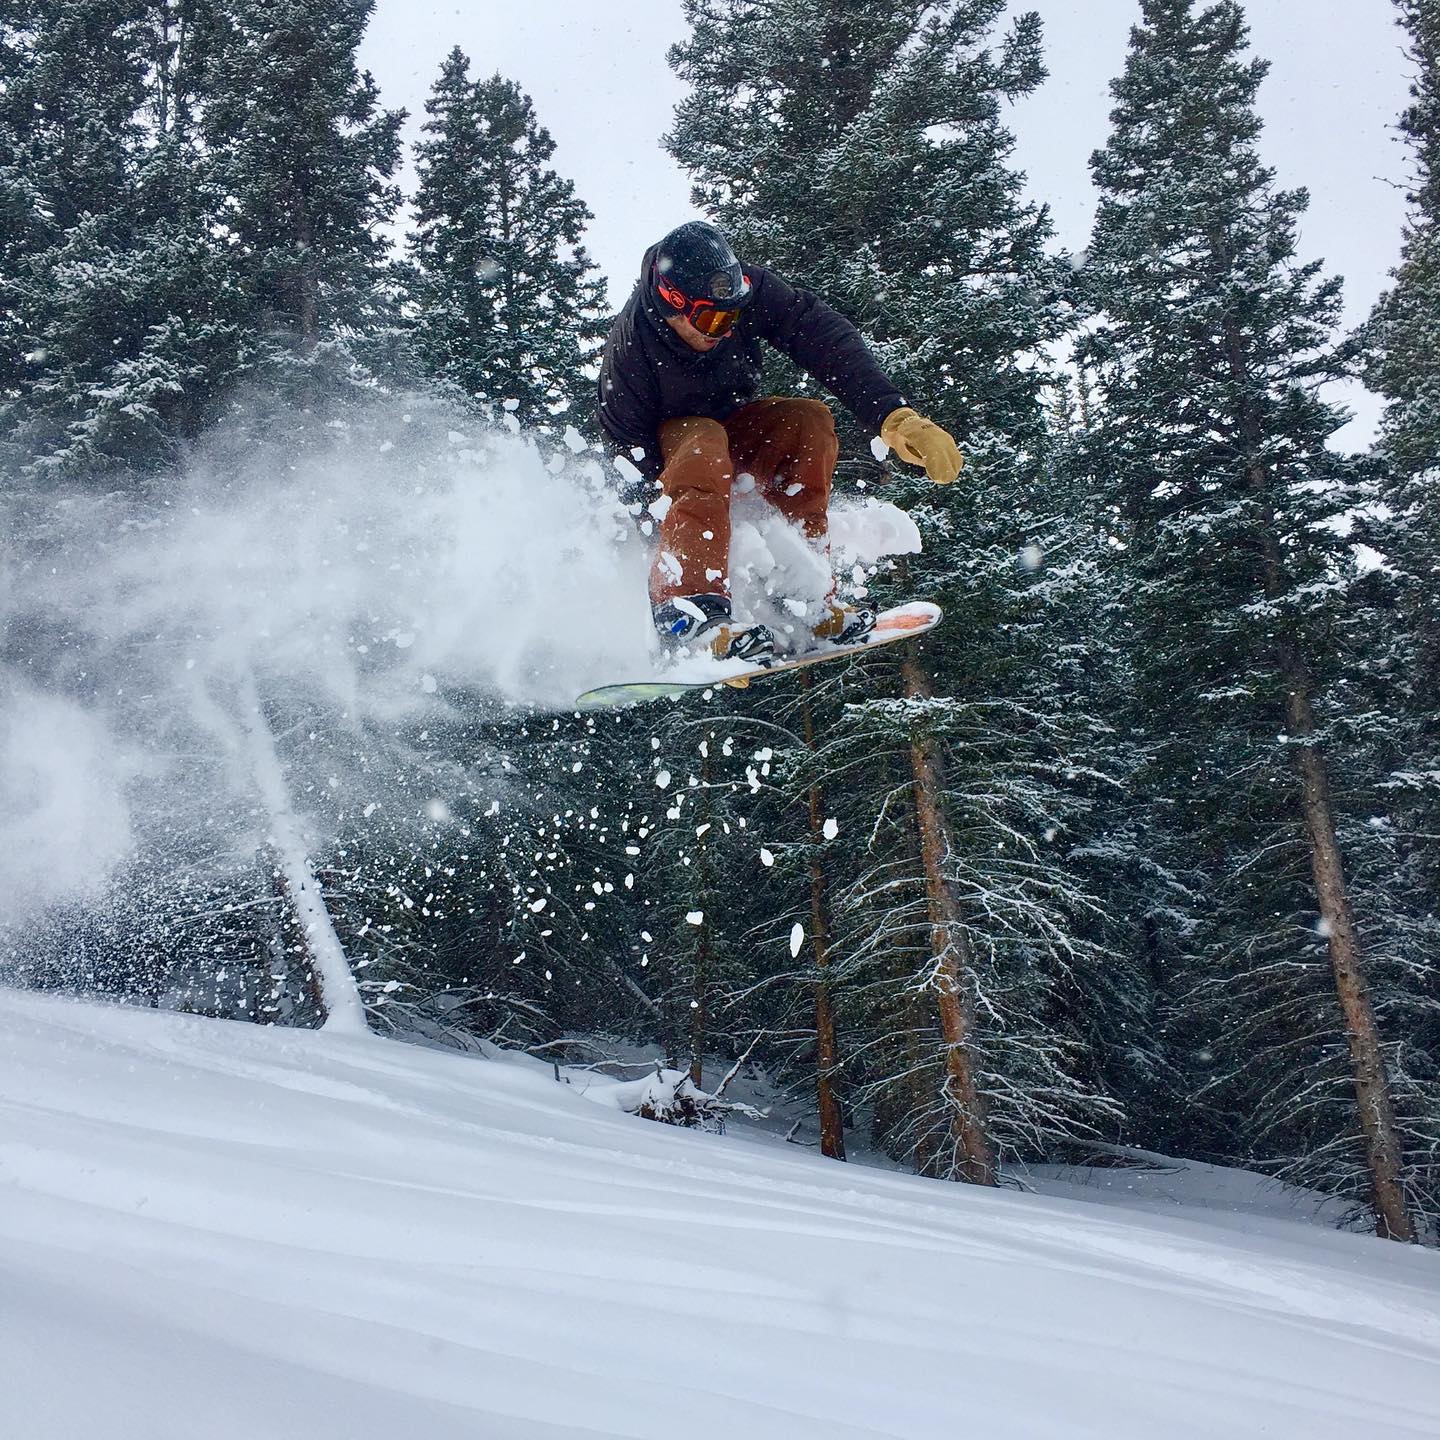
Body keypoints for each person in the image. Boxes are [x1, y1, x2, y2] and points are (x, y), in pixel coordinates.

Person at [597, 220, 963, 661]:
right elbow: (629, 462)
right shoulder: (631, 354)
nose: (726, 330)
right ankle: (691, 614)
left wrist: (892, 415)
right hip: (670, 459)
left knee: (806, 421)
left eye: (734, 315)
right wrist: (661, 545)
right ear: (672, 303)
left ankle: (802, 595)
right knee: (701, 440)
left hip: (731, 434)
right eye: (712, 319)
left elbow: (822, 337)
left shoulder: (747, 290)